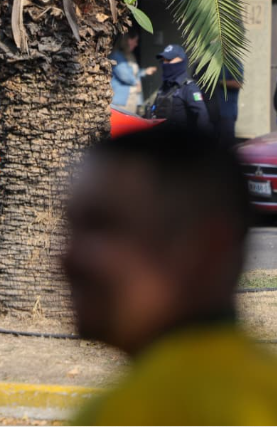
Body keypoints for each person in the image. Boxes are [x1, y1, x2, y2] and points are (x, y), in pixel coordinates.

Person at [65, 126, 277, 425]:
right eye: (73, 229)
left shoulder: (130, 413)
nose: (67, 259)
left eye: (103, 227)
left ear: (206, 250)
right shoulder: (263, 383)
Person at [147, 44, 211, 133]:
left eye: (169, 60)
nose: (165, 64)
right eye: (163, 60)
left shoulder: (189, 88)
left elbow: (202, 117)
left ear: (181, 60)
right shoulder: (165, 86)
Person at [110, 30, 156, 113]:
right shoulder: (116, 56)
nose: (136, 44)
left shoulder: (130, 56)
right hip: (121, 100)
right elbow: (125, 75)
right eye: (135, 41)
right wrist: (136, 82)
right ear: (127, 40)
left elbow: (134, 73)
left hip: (132, 98)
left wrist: (145, 72)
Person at [215, 65, 243, 144]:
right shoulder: (211, 63)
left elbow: (238, 83)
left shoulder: (233, 63)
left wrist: (219, 82)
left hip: (227, 113)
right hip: (211, 113)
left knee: (226, 144)